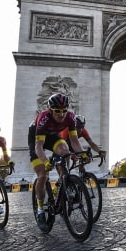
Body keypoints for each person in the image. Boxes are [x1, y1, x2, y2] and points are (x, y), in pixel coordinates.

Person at [29, 93, 88, 230]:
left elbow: (74, 141)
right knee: (42, 175)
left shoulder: (71, 117)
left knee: (65, 150)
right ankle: (40, 211)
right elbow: (39, 146)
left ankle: (64, 180)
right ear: (50, 110)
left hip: (53, 137)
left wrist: (82, 155)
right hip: (36, 139)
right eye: (57, 111)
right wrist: (45, 161)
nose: (61, 114)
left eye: (64, 110)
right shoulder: (44, 118)